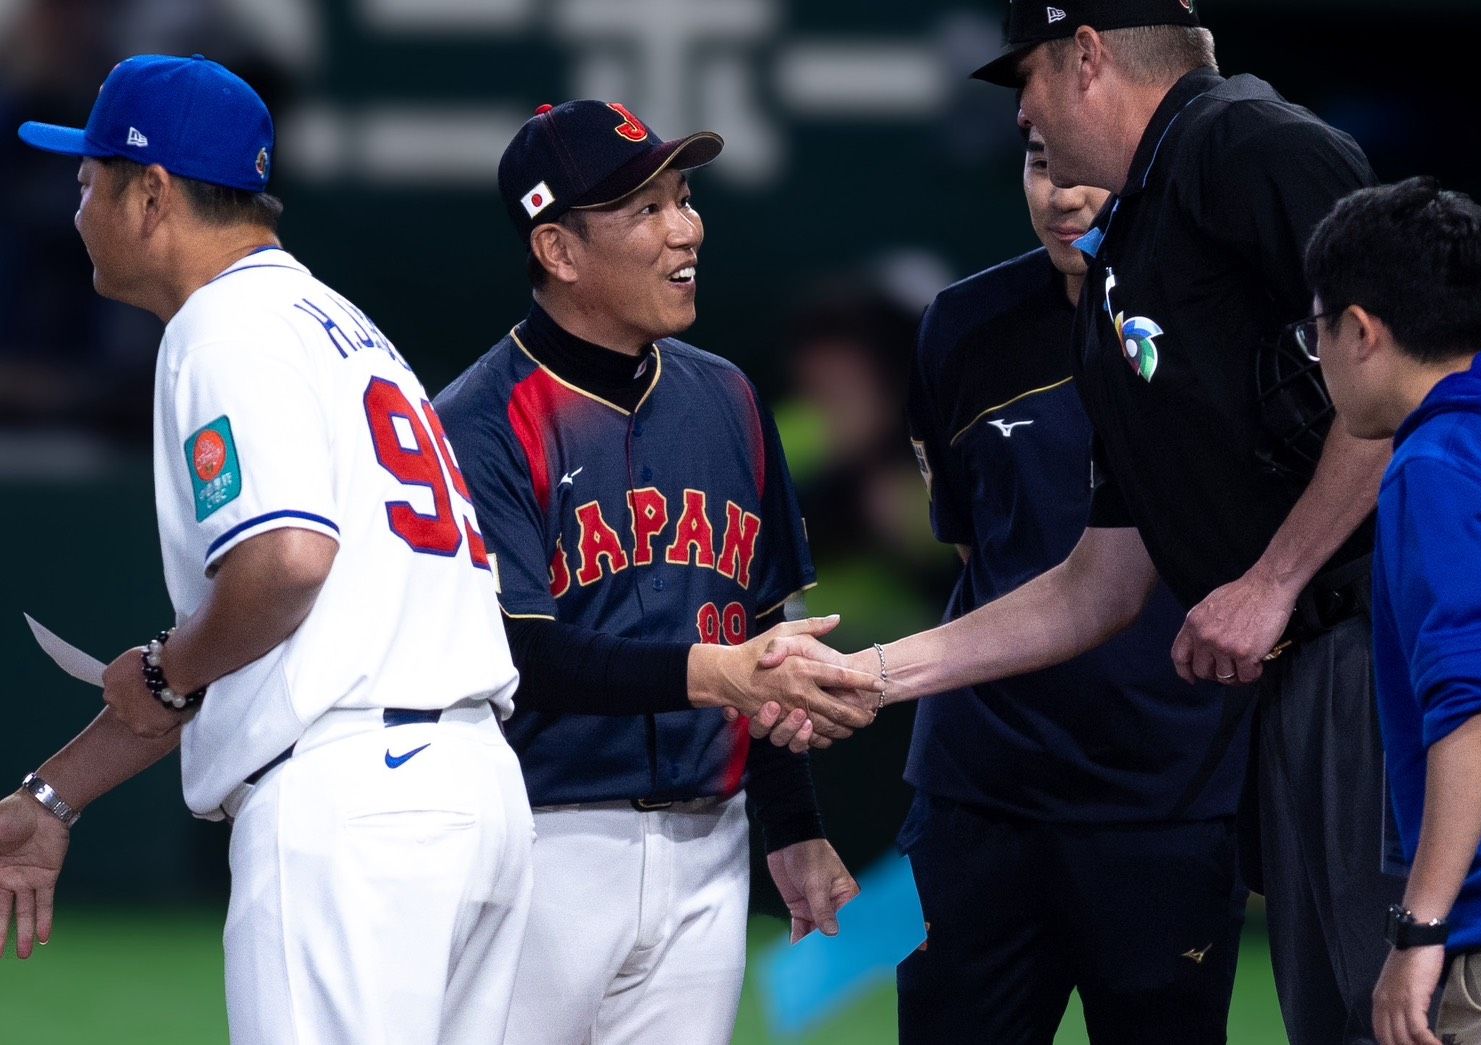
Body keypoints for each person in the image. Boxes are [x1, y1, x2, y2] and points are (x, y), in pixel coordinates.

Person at [755, 4, 1405, 1042]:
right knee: (1341, 1011)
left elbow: (1413, 385)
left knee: (1396, 1006)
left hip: (1382, 659)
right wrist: (868, 677)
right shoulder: (1122, 302)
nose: (1028, 120)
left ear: (1089, 55)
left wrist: (1272, 579)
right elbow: (1094, 583)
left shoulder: (1245, 139)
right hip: (1252, 697)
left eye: (1031, 80)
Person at [0, 55, 533, 1044]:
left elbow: (285, 565)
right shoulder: (339, 326)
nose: (77, 210)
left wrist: (164, 670)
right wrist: (53, 795)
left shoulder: (224, 329)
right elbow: (272, 631)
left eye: (89, 181)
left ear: (150, 194)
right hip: (471, 797)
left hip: (355, 807)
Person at [432, 100, 880, 1045]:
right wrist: (719, 672)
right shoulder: (477, 422)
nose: (686, 228)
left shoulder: (725, 394)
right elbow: (519, 652)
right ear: (557, 250)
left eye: (682, 196)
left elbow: (767, 621)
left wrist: (791, 824)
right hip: (541, 842)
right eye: (646, 209)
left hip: (709, 847)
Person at [894, 117, 1249, 1043]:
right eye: (1037, 162)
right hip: (981, 796)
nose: (1060, 194)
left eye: (1086, 168)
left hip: (1168, 799)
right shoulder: (959, 326)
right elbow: (976, 547)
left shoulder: (1235, 327)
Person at [1303, 176, 1481, 1045]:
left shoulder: (1436, 464)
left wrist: (1416, 929)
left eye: (1318, 329)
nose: (1321, 353)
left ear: (1362, 331)